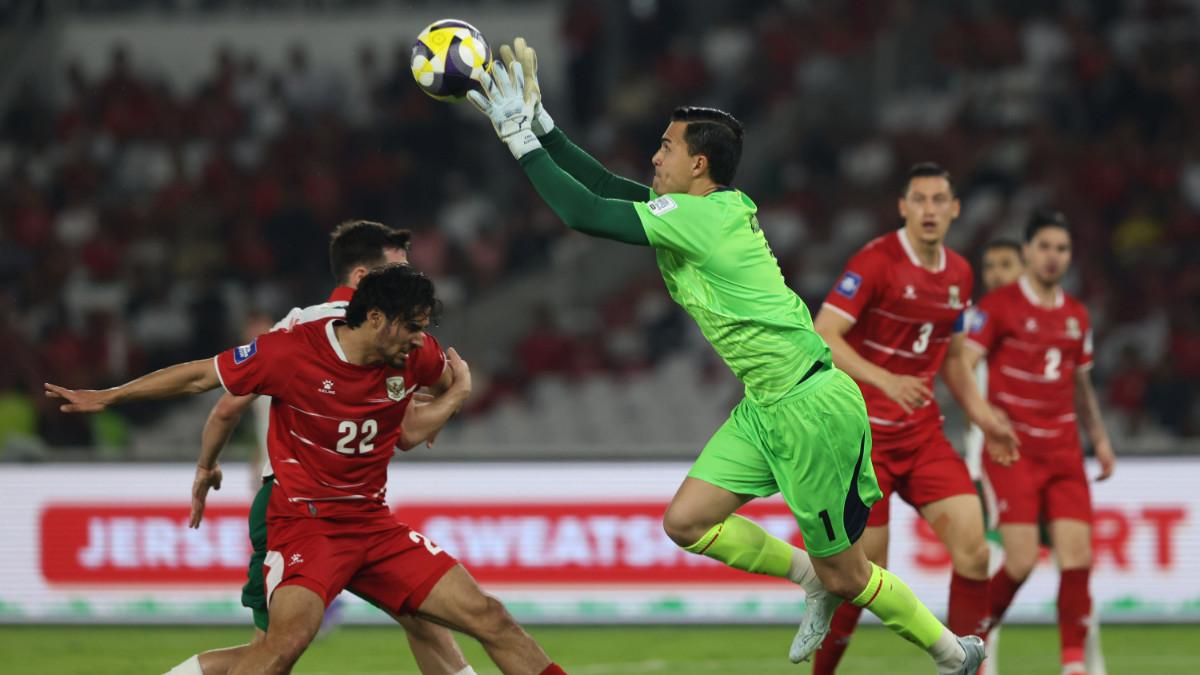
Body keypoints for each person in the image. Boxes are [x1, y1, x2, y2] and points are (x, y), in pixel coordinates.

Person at [465, 40, 985, 673]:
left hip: (811, 407)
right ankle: (809, 577)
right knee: (686, 521)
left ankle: (953, 651)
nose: (655, 156)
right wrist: (544, 127)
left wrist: (518, 139)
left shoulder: (701, 221)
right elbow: (605, 187)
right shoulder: (702, 210)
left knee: (851, 575)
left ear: (699, 163)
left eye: (666, 147)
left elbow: (584, 212)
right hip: (766, 404)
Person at [47, 265, 567, 675]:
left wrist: (454, 398)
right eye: (412, 327)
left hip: (373, 525)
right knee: (282, 649)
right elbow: (201, 378)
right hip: (306, 525)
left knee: (491, 617)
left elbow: (409, 429)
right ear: (378, 318)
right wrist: (111, 395)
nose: (420, 340)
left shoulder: (417, 356)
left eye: (425, 328)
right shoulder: (293, 352)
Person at [170, 221, 476, 675]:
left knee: (422, 615)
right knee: (271, 653)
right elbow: (226, 405)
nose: (411, 282)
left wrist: (431, 405)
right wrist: (205, 466)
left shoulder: (385, 341)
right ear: (362, 281)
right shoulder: (306, 330)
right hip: (296, 507)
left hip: (353, 512)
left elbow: (413, 402)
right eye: (398, 270)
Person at [810, 163, 1019, 673]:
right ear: (903, 207)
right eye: (919, 200)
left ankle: (964, 665)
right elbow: (823, 334)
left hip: (922, 437)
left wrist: (984, 416)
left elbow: (949, 359)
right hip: (864, 442)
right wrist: (885, 380)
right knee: (862, 578)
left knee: (974, 552)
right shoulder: (877, 261)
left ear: (955, 209)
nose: (930, 209)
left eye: (939, 199)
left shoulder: (960, 273)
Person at [963, 211, 1115, 675]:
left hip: (1065, 451)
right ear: (1027, 251)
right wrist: (988, 420)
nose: (1053, 257)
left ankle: (1074, 665)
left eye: (1062, 249)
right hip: (1013, 452)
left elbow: (1081, 386)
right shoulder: (998, 308)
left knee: (1078, 558)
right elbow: (963, 367)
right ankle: (975, 634)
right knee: (1022, 560)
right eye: (1045, 247)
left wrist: (1101, 442)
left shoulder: (1075, 315)